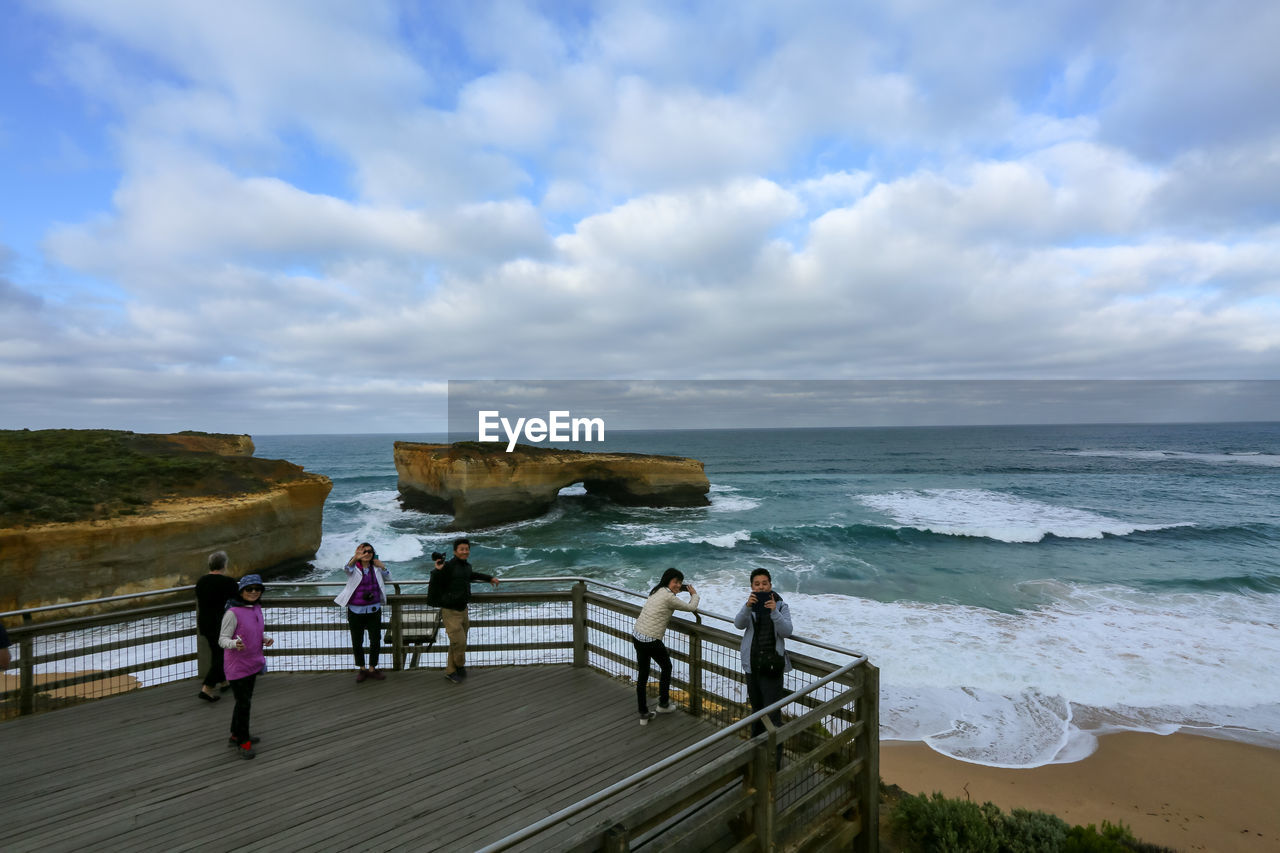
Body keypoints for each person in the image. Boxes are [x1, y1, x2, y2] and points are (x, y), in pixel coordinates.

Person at [631, 568, 699, 726]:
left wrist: (677, 590)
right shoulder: (669, 597)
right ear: (668, 580)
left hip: (637, 635)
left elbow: (667, 600)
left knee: (643, 675)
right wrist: (694, 594)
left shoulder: (657, 590)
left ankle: (643, 713)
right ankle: (663, 704)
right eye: (675, 581)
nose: (678, 585)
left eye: (680, 583)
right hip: (651, 640)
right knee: (667, 667)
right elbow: (691, 608)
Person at [733, 568, 793, 741]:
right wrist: (747, 606)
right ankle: (756, 749)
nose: (761, 587)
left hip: (772, 666)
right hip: (752, 665)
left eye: (764, 583)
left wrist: (774, 612)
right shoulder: (749, 606)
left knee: (772, 715)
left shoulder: (781, 605)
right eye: (756, 584)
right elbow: (738, 624)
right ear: (752, 586)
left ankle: (774, 758)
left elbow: (787, 631)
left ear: (770, 585)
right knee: (757, 711)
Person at [429, 538, 499, 684]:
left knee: (456, 643)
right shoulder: (448, 566)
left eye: (467, 549)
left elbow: (471, 575)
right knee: (459, 643)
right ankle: (460, 667)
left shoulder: (466, 566)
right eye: (462, 549)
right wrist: (437, 569)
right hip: (450, 611)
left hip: (463, 610)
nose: (465, 551)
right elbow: (436, 580)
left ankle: (450, 671)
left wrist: (489, 578)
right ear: (455, 551)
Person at [219, 574, 274, 760]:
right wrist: (234, 644)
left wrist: (264, 639)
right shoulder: (232, 612)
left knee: (244, 702)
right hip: (237, 667)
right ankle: (244, 742)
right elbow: (222, 639)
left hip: (253, 663)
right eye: (249, 589)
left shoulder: (256, 608)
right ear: (241, 591)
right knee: (244, 704)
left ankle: (235, 735)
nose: (253, 592)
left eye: (257, 589)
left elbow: (255, 631)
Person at [334, 542, 390, 682]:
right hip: (355, 610)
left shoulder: (375, 568)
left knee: (375, 640)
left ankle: (372, 668)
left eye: (370, 551)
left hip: (374, 609)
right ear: (359, 554)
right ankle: (362, 669)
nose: (367, 553)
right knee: (357, 641)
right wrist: (354, 557)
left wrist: (382, 566)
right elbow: (346, 569)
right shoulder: (354, 568)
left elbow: (388, 577)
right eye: (364, 551)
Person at [194, 550, 239, 702]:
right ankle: (207, 688)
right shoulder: (228, 583)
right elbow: (237, 601)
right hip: (221, 624)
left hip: (205, 623)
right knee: (223, 655)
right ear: (224, 565)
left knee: (216, 652)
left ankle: (224, 682)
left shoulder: (201, 582)